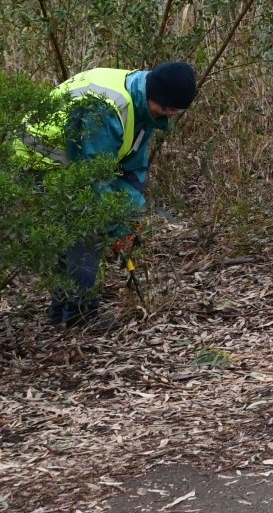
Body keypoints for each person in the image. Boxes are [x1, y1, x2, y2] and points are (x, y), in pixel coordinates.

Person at [16, 60, 197, 330]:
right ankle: (79, 313)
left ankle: (62, 308)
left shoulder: (142, 106)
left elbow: (131, 170)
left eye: (175, 112)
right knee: (88, 227)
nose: (168, 116)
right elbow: (93, 181)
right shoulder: (107, 109)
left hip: (72, 161)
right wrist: (116, 225)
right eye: (167, 110)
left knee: (88, 225)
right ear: (155, 95)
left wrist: (128, 217)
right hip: (40, 159)